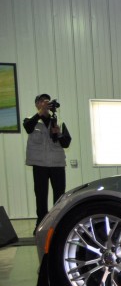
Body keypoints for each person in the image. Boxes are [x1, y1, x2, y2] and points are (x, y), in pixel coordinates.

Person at [24, 94, 70, 229]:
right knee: (41, 195)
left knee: (59, 194)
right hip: (40, 165)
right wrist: (40, 113)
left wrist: (59, 134)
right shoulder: (30, 120)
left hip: (57, 165)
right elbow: (27, 127)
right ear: (37, 105)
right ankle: (41, 224)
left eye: (47, 102)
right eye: (42, 102)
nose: (45, 104)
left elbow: (66, 143)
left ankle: (57, 223)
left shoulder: (59, 122)